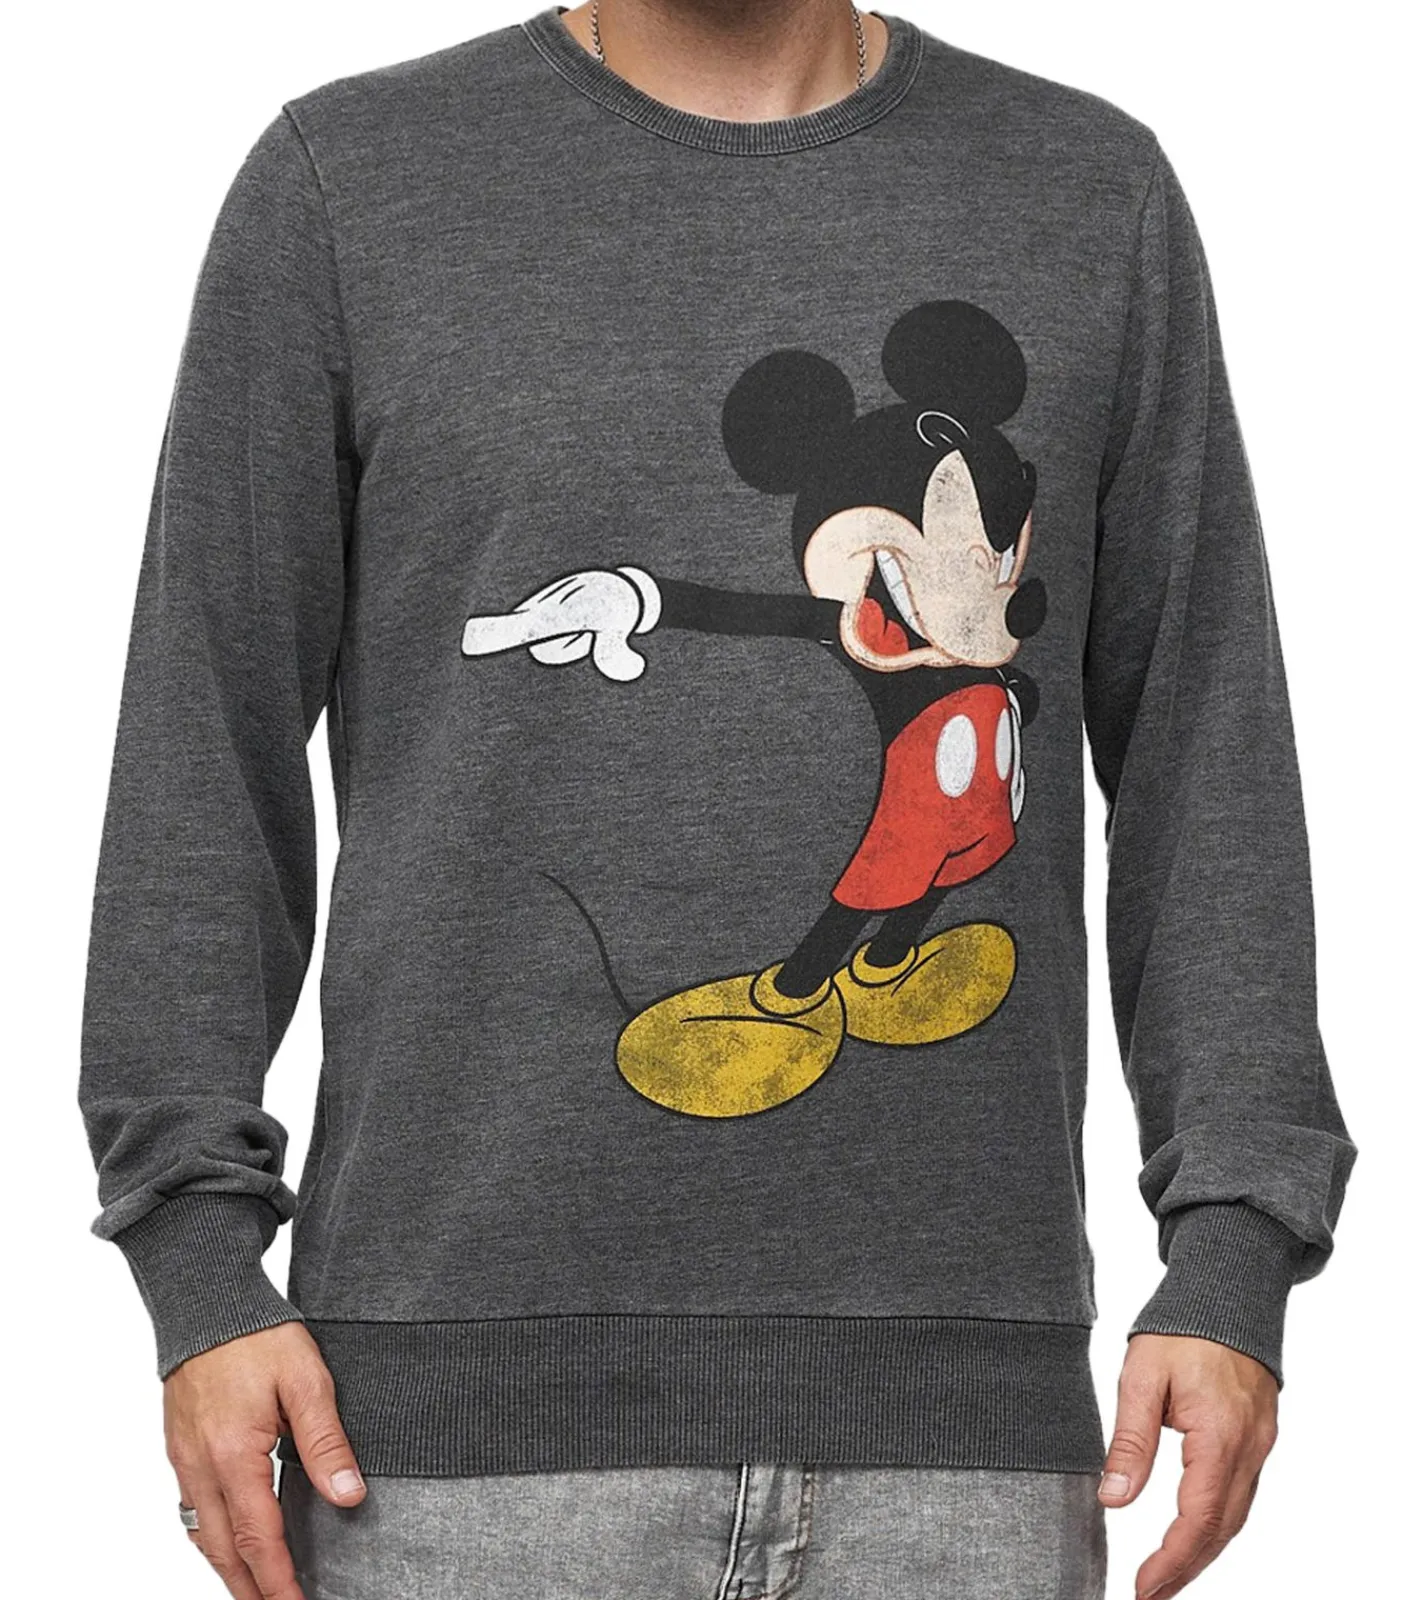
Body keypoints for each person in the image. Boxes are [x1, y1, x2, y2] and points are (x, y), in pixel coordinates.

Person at [79, 4, 1357, 1598]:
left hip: (964, 1446)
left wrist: (1234, 1249)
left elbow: (1204, 755)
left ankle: (861, 974)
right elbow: (203, 744)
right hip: (451, 1446)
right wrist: (197, 1261)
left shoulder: (1087, 192)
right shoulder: (350, 185)